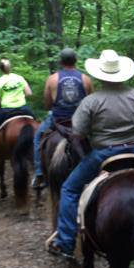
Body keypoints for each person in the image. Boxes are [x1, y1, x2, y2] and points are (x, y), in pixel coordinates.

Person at [46, 49, 134, 261]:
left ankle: (66, 243)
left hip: (105, 154)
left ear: (100, 74)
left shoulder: (91, 102)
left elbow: (77, 136)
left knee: (69, 189)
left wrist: (85, 156)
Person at [32, 47, 93, 189]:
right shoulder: (86, 79)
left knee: (37, 137)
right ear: (76, 61)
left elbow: (47, 105)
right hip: (80, 122)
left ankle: (40, 174)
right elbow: (91, 104)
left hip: (58, 121)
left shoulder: (52, 79)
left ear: (60, 61)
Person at [0, 59, 33, 164]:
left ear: (0, 69)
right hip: (24, 108)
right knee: (37, 125)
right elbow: (29, 93)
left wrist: (3, 99)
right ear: (10, 67)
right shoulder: (19, 78)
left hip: (6, 111)